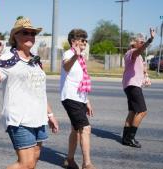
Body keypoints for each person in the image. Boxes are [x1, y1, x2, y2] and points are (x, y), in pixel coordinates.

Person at [0, 16, 59, 169]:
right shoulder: (8, 58)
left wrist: (50, 115)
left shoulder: (35, 61)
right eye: (25, 32)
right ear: (15, 36)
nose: (30, 36)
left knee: (34, 159)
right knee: (26, 164)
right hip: (19, 118)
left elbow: (39, 91)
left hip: (38, 117)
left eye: (32, 33)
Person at [60, 29, 96, 169]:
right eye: (83, 40)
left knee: (76, 129)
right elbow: (66, 66)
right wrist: (76, 54)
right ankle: (87, 164)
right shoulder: (69, 54)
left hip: (79, 98)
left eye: (86, 40)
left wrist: (87, 101)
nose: (85, 42)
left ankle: (69, 160)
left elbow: (80, 81)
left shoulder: (81, 58)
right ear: (73, 41)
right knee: (85, 128)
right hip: (70, 97)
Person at [121, 28, 155, 148]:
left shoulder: (138, 56)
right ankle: (130, 138)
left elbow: (141, 68)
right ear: (133, 43)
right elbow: (139, 50)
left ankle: (125, 138)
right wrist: (150, 40)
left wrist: (145, 75)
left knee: (133, 111)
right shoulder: (132, 52)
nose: (142, 43)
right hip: (133, 85)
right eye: (140, 41)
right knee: (142, 111)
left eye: (143, 41)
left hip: (130, 85)